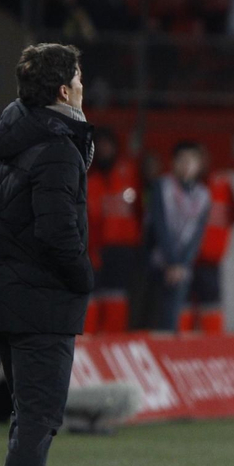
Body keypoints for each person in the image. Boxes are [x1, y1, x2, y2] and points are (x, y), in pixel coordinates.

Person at [0, 43, 96, 466]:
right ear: (63, 90)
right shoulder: (57, 148)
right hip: (40, 302)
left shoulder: (4, 139)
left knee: (29, 415)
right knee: (39, 418)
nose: (84, 86)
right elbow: (57, 234)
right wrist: (83, 278)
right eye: (79, 79)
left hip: (2, 295)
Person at [143, 142, 212, 332]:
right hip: (158, 263)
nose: (187, 165)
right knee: (152, 318)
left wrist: (182, 264)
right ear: (173, 162)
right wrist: (172, 262)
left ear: (199, 165)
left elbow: (197, 236)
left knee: (174, 319)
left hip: (182, 268)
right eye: (182, 160)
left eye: (192, 161)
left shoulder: (203, 195)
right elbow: (159, 226)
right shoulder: (161, 186)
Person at [84, 127, 142, 332]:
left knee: (116, 295)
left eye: (107, 145)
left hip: (123, 249)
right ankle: (89, 340)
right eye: (99, 146)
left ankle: (113, 338)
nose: (104, 150)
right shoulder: (88, 179)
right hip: (95, 249)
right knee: (92, 296)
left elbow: (141, 210)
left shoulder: (130, 173)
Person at [192, 155, 234, 333]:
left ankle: (213, 343)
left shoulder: (222, 185)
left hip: (210, 259)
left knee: (210, 306)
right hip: (185, 259)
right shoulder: (178, 187)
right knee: (184, 307)